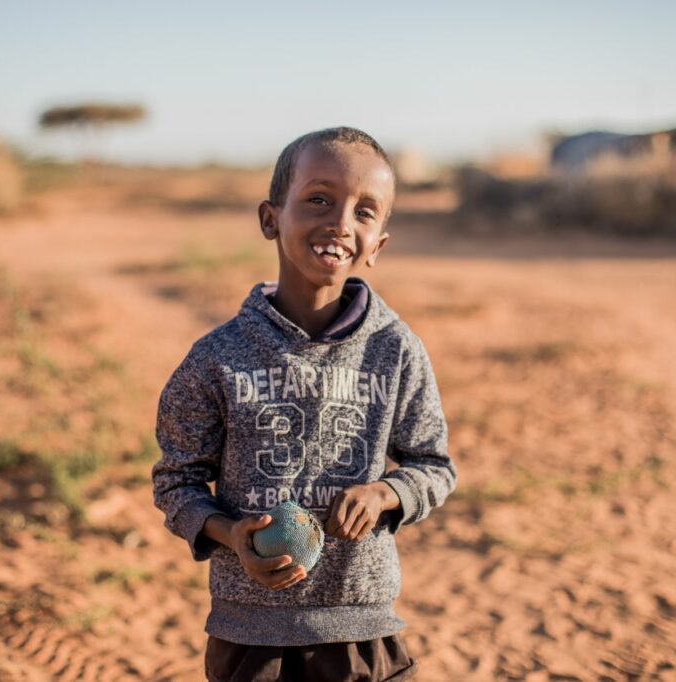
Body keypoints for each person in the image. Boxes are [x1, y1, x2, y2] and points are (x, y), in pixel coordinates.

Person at [152, 126, 456, 682]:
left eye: (366, 212)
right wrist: (231, 535)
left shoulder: (396, 350)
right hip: (250, 636)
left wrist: (386, 492)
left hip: (361, 629)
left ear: (379, 244)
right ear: (271, 218)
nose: (341, 222)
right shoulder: (216, 358)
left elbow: (434, 467)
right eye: (319, 199)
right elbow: (176, 482)